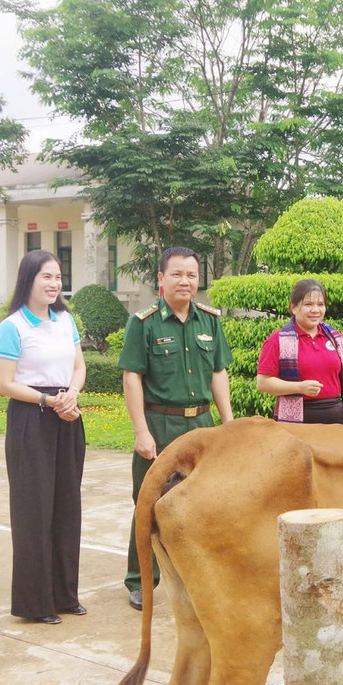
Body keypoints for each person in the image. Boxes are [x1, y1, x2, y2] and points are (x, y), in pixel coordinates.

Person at [118, 247, 234, 610]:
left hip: (201, 425)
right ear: (161, 278)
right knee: (148, 503)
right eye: (177, 274)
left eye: (192, 275)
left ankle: (194, 574)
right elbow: (132, 378)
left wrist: (228, 424)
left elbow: (218, 373)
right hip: (160, 423)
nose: (185, 281)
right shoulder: (144, 322)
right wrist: (141, 431)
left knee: (202, 503)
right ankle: (141, 580)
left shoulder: (209, 321)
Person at [0, 250, 87, 625]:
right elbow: (5, 383)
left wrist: (72, 395)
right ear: (28, 280)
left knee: (67, 506)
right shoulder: (13, 326)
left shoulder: (65, 320)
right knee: (34, 510)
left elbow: (78, 366)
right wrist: (49, 400)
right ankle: (36, 603)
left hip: (67, 415)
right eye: (46, 276)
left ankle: (65, 595)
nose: (54, 283)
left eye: (58, 277)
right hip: (31, 419)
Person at [255, 278, 343, 427]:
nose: (316, 310)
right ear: (293, 308)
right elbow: (263, 383)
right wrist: (299, 388)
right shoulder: (277, 340)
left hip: (336, 420)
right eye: (308, 304)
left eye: (320, 304)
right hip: (295, 424)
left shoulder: (338, 340)